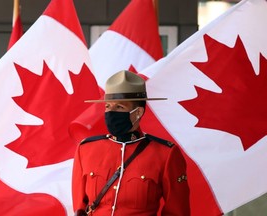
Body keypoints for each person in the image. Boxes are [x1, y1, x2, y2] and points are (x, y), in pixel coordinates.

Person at [72, 70, 190, 216]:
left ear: (138, 112)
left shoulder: (165, 154)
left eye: (119, 107)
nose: (111, 113)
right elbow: (79, 208)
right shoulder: (86, 149)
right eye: (108, 106)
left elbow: (178, 212)